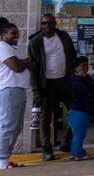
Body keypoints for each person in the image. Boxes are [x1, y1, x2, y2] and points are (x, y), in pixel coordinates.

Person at [27, 13, 77, 161]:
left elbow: (73, 57)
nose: (47, 26)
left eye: (50, 23)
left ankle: (67, 141)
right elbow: (33, 68)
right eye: (44, 24)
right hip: (46, 84)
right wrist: (35, 89)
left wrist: (76, 74)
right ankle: (47, 148)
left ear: (55, 24)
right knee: (45, 117)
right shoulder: (35, 41)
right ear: (41, 25)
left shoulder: (64, 37)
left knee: (76, 111)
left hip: (64, 81)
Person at [0, 17, 32, 170]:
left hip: (17, 89)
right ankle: (2, 160)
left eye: (17, 33)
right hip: (9, 90)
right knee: (8, 125)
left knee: (16, 126)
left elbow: (22, 64)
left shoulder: (11, 48)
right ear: (4, 34)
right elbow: (17, 67)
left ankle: (6, 159)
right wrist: (26, 62)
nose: (16, 36)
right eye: (13, 34)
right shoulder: (2, 47)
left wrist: (25, 62)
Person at [67, 56, 94, 161]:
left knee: (77, 134)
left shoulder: (86, 78)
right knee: (79, 134)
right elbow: (86, 90)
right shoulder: (75, 80)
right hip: (78, 111)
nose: (85, 68)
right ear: (76, 68)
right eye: (83, 66)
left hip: (82, 111)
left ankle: (74, 152)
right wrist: (85, 80)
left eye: (87, 65)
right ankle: (79, 154)